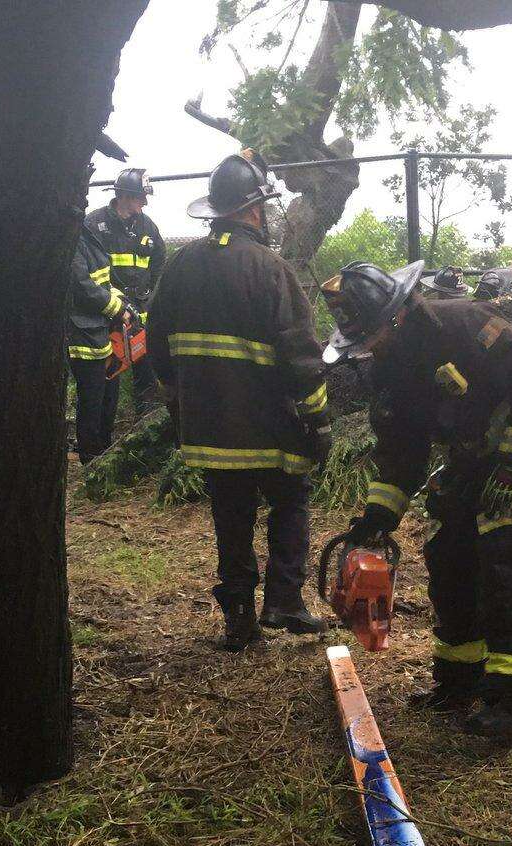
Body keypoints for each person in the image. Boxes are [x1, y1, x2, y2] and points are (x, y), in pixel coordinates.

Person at [323, 260, 512, 741]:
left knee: (504, 567)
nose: (369, 349)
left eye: (373, 335)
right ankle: (459, 679)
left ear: (397, 316)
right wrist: (379, 514)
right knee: (448, 557)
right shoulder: (390, 369)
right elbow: (401, 449)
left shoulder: (468, 325)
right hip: (473, 464)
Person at [147, 152, 332, 651]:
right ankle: (285, 601)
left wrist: (177, 401)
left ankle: (239, 618)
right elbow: (301, 357)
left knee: (230, 516)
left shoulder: (181, 265)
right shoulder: (272, 270)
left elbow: (156, 339)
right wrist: (319, 423)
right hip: (271, 428)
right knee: (290, 502)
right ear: (253, 210)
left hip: (209, 430)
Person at [85, 168, 166, 416]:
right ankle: (104, 432)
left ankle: (144, 423)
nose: (145, 202)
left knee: (146, 372)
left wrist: (150, 293)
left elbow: (159, 261)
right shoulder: (95, 224)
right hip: (108, 312)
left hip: (140, 312)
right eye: (141, 197)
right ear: (125, 196)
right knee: (108, 376)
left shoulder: (147, 226)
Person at [68, 218, 138, 463]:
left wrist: (123, 302)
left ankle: (105, 449)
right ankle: (91, 455)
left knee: (109, 391)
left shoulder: (86, 232)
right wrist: (117, 310)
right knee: (92, 395)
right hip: (82, 331)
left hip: (98, 327)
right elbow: (82, 286)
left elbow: (104, 279)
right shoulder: (71, 239)